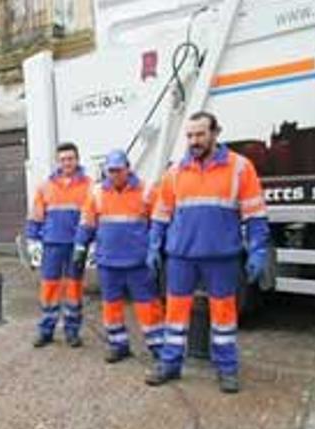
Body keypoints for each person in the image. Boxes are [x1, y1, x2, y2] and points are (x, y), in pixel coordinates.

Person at [146, 111, 269, 393]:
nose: (194, 141)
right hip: (181, 258)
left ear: (215, 133)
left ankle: (227, 370)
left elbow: (255, 214)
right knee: (175, 315)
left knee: (224, 316)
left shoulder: (240, 168)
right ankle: (170, 365)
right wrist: (153, 245)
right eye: (189, 135)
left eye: (200, 134)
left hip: (221, 258)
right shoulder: (175, 172)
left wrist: (258, 250)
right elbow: (161, 214)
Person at [73, 150, 165, 364]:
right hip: (108, 262)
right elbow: (86, 223)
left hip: (138, 262)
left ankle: (158, 347)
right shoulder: (97, 192)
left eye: (118, 170)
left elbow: (160, 222)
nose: (114, 174)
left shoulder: (146, 191)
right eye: (110, 170)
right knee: (111, 305)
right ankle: (118, 344)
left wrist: (156, 249)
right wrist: (79, 249)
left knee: (148, 306)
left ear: (128, 168)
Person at [24, 142, 92, 348]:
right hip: (52, 245)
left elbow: (90, 217)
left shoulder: (89, 185)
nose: (67, 163)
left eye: (70, 159)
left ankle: (72, 331)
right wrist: (32, 241)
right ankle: (46, 330)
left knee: (74, 289)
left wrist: (88, 242)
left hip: (75, 245)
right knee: (49, 289)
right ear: (57, 161)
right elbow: (36, 216)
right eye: (63, 159)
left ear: (77, 160)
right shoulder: (45, 186)